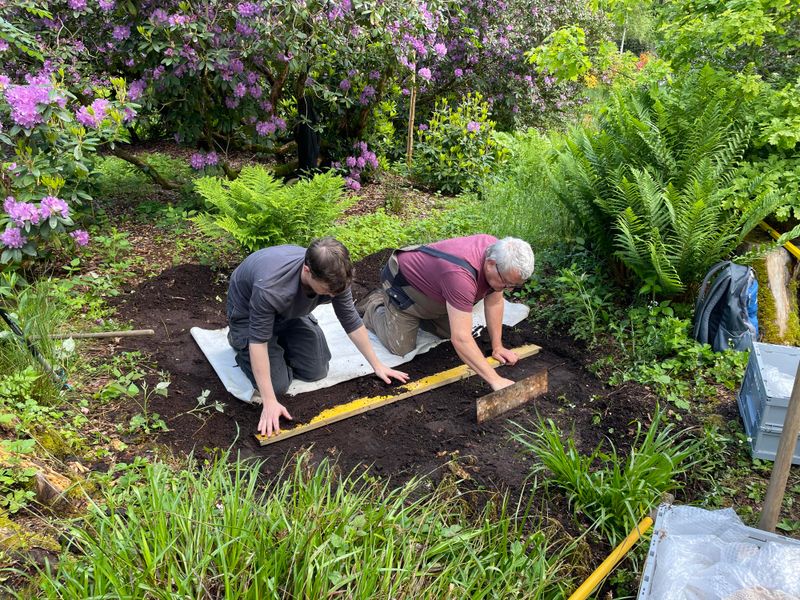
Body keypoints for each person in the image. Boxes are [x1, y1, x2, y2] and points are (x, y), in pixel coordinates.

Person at [227, 237, 409, 437]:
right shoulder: (271, 288)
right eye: (327, 290)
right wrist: (269, 401)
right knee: (277, 387)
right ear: (307, 271)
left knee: (316, 371)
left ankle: (280, 340)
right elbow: (259, 344)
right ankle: (238, 340)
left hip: (289, 313)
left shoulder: (336, 276)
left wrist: (377, 365)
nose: (332, 296)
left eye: (336, 291)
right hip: (248, 316)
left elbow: (350, 319)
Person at [360, 235, 534, 392]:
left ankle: (424, 314)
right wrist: (495, 380)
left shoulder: (499, 256)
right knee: (401, 348)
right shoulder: (460, 276)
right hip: (403, 285)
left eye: (514, 286)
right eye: (506, 283)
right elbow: (461, 340)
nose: (509, 289)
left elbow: (495, 301)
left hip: (437, 289)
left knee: (450, 332)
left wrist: (498, 346)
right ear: (490, 264)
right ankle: (374, 305)